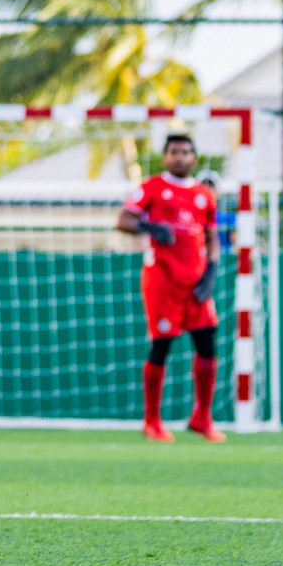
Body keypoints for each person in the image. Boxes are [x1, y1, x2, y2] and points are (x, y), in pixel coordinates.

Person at [116, 134, 225, 443]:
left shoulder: (205, 195)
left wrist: (211, 274)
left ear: (194, 158)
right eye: (174, 152)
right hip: (162, 280)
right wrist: (150, 227)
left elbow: (212, 238)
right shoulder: (151, 188)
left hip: (196, 281)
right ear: (165, 157)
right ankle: (152, 421)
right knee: (161, 346)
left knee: (207, 343)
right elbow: (123, 220)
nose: (180, 157)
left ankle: (202, 418)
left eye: (186, 152)